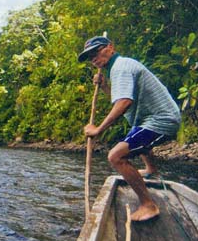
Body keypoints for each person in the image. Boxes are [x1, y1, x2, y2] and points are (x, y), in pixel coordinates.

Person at [78, 36, 181, 221]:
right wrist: (103, 86)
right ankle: (151, 170)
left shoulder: (121, 68)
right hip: (147, 120)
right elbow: (120, 97)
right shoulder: (117, 68)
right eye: (89, 56)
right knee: (134, 135)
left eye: (96, 51)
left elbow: (125, 102)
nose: (93, 58)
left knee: (116, 156)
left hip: (162, 120)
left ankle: (149, 205)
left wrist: (98, 129)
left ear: (110, 47)